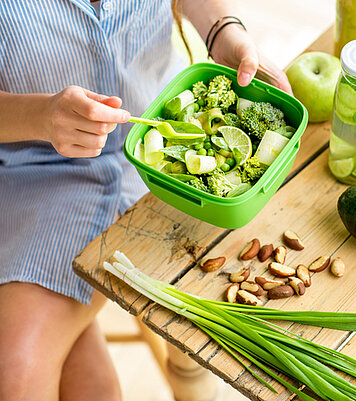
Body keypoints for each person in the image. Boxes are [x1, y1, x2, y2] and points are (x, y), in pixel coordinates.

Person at [0, 1, 292, 400]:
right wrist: (41, 116)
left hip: (176, 137)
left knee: (28, 375)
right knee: (19, 379)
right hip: (39, 169)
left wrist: (224, 31)